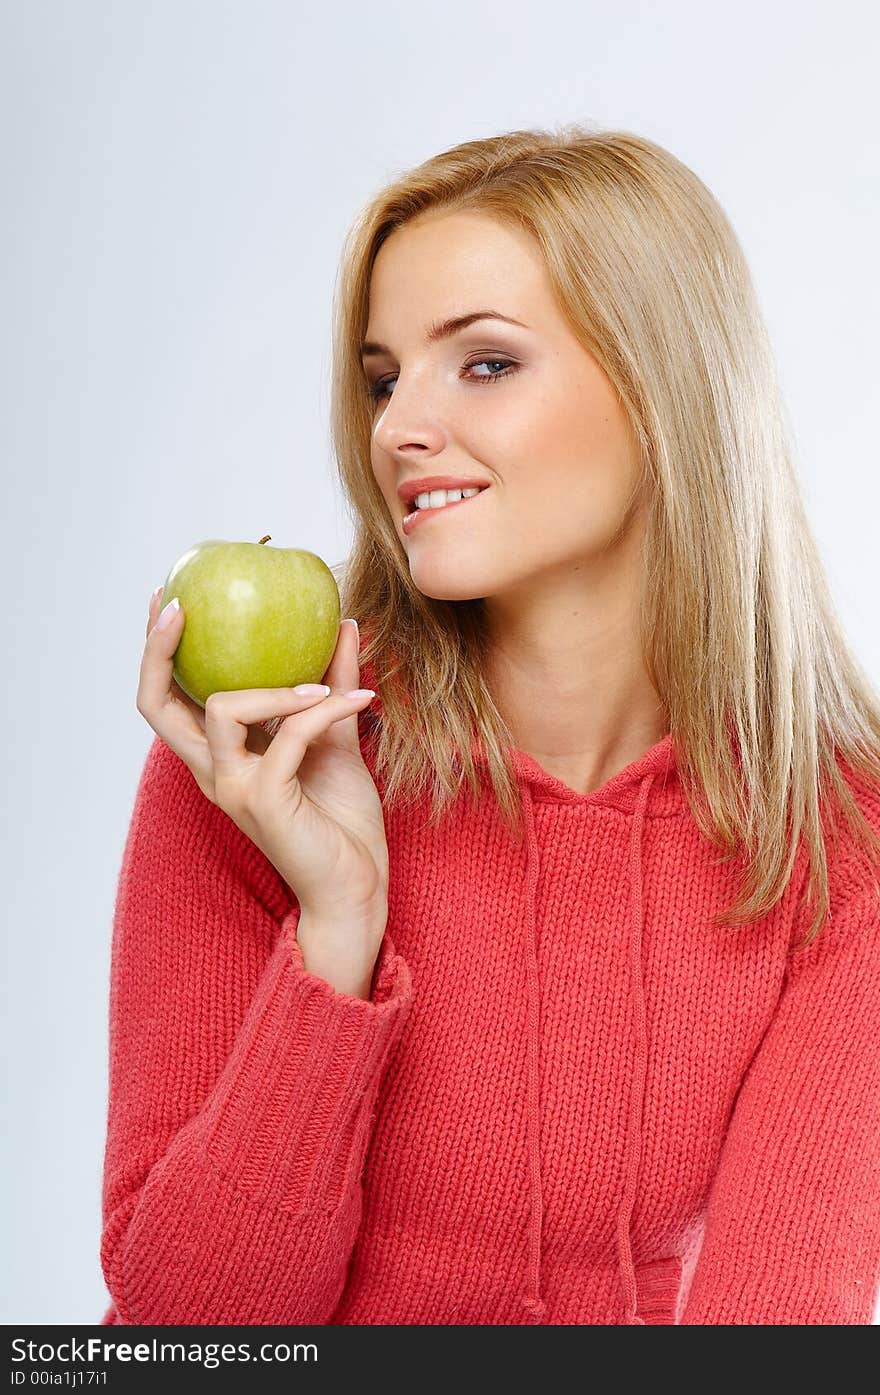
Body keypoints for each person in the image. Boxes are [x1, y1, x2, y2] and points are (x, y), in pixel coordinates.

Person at [99, 125, 880, 1326]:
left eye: (485, 365)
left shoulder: (838, 833)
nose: (397, 429)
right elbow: (184, 1341)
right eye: (382, 377)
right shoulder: (267, 758)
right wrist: (338, 931)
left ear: (663, 386)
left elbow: (774, 1323)